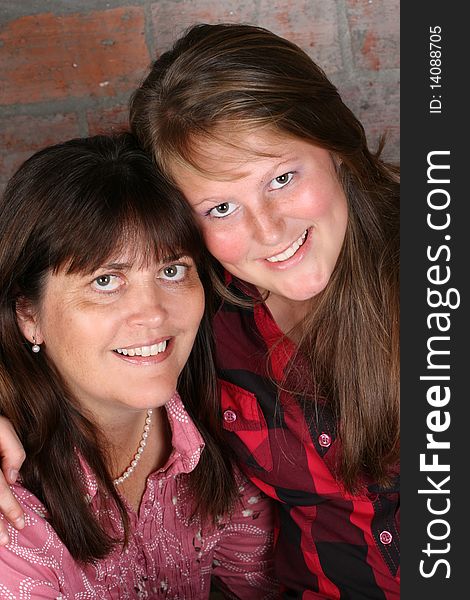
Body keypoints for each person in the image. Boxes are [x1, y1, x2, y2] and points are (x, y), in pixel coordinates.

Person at [0, 21, 399, 599]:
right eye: (218, 207)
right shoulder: (205, 317)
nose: (267, 230)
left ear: (336, 146)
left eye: (282, 178)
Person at [0, 132, 277, 598]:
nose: (152, 313)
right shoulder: (12, 510)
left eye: (172, 270)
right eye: (106, 280)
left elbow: (260, 586)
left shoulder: (221, 421)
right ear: (29, 314)